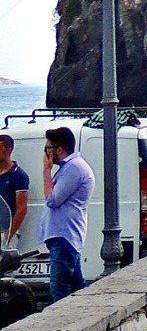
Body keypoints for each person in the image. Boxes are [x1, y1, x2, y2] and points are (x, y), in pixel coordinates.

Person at [40, 126, 93, 301]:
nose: (45, 152)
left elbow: (52, 200)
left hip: (65, 237)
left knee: (59, 291)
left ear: (59, 149)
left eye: (48, 147)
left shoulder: (74, 168)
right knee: (78, 289)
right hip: (64, 236)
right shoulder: (69, 168)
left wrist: (46, 171)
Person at [0, 135, 28, 251]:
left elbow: (22, 208)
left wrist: (9, 234)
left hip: (6, 230)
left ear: (8, 150)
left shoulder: (18, 175)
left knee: (5, 267)